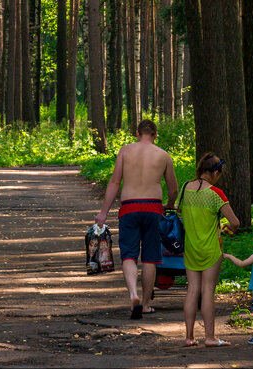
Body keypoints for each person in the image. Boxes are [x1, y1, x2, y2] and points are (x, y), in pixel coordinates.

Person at [93, 119, 178, 319]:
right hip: (153, 207)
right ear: (155, 135)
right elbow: (173, 189)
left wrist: (103, 213)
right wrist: (170, 203)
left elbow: (114, 182)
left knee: (129, 255)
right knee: (150, 257)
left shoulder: (125, 151)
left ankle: (133, 295)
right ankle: (146, 304)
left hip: (129, 207)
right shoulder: (163, 155)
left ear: (137, 134)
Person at [181, 153, 240, 347]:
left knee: (192, 290)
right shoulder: (216, 193)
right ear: (215, 172)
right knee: (207, 291)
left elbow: (181, 212)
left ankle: (189, 337)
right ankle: (210, 337)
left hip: (190, 248)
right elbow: (235, 223)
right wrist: (227, 228)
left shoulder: (185, 189)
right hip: (211, 249)